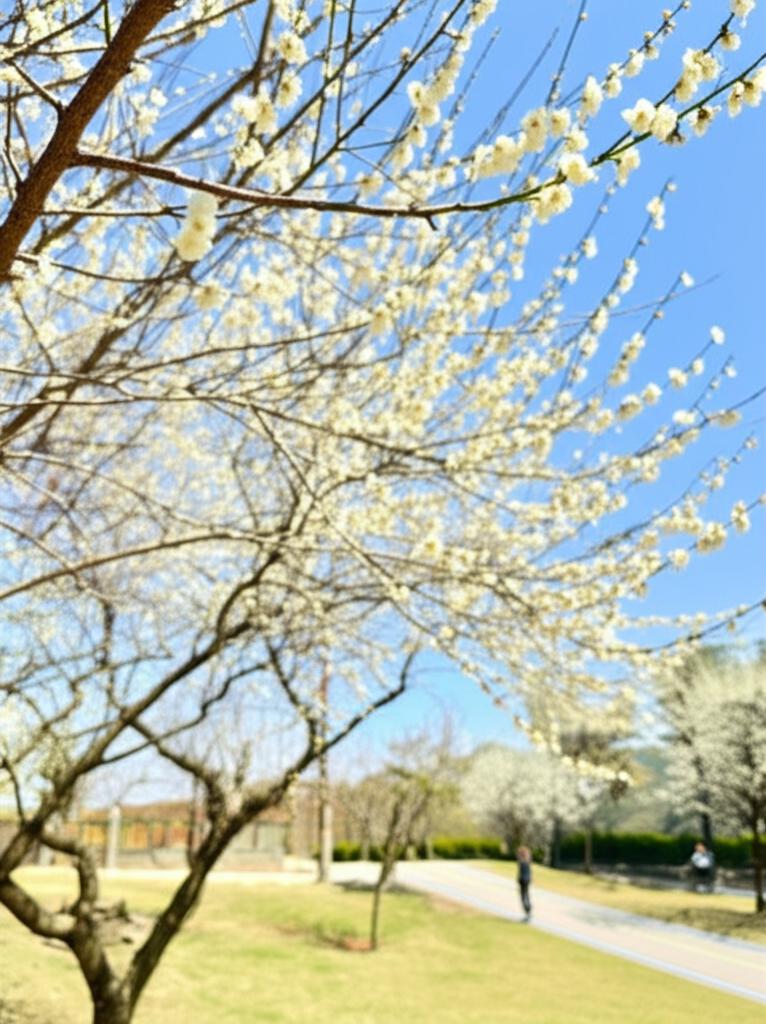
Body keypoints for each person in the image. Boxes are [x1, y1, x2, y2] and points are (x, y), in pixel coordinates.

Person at [517, 845, 533, 921]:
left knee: (523, 896)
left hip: (523, 880)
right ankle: (528, 911)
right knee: (526, 895)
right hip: (527, 880)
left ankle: (528, 912)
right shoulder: (528, 861)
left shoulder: (522, 862)